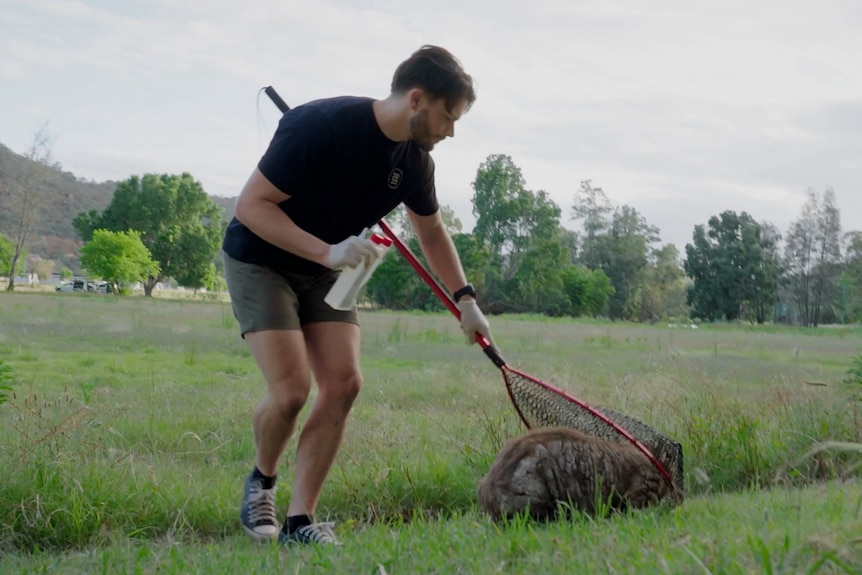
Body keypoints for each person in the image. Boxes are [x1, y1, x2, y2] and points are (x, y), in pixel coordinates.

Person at [221, 45, 493, 546]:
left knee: (344, 384)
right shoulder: (319, 126)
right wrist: (326, 251)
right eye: (448, 117)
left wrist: (466, 300)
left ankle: (300, 523)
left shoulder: (414, 161)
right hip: (262, 257)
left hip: (331, 266)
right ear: (417, 99)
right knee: (290, 391)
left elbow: (432, 233)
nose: (451, 131)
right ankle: (262, 479)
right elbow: (252, 206)